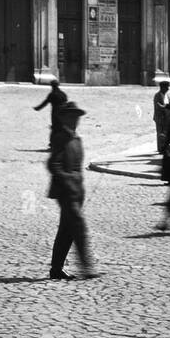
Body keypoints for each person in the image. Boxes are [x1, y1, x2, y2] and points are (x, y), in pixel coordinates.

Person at [46, 101, 96, 280]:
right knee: (78, 227)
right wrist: (68, 181)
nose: (75, 120)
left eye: (77, 117)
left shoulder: (76, 138)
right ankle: (87, 267)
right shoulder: (61, 138)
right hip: (66, 192)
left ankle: (56, 269)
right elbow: (53, 164)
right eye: (71, 116)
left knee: (66, 231)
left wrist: (79, 185)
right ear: (64, 118)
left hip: (77, 192)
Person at [33, 77, 68, 149]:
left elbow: (45, 103)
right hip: (64, 113)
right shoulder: (63, 94)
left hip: (55, 113)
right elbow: (66, 102)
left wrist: (37, 108)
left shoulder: (52, 94)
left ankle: (53, 144)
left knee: (55, 128)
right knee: (62, 128)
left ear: (52, 86)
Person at [153, 79, 170, 154]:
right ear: (162, 88)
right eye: (166, 87)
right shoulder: (157, 96)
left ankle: (164, 147)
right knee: (160, 133)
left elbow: (169, 102)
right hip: (160, 117)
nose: (168, 89)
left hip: (167, 117)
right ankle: (160, 148)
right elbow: (159, 106)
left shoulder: (167, 95)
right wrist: (167, 107)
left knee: (165, 132)